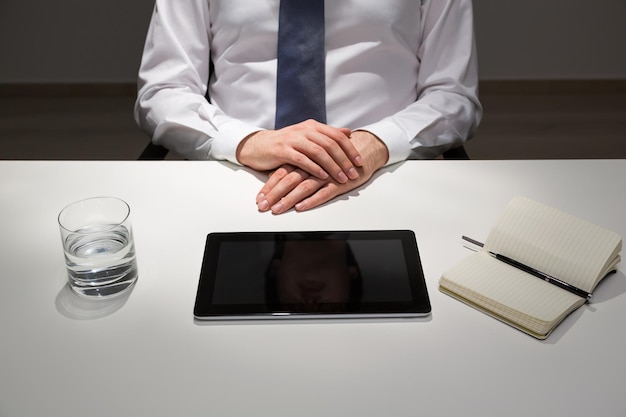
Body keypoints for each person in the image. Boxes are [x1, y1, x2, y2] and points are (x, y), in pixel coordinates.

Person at [134, 1, 482, 215]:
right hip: (239, 178)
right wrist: (247, 142)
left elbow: (452, 94)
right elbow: (164, 89)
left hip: (384, 177)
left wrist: (376, 144)